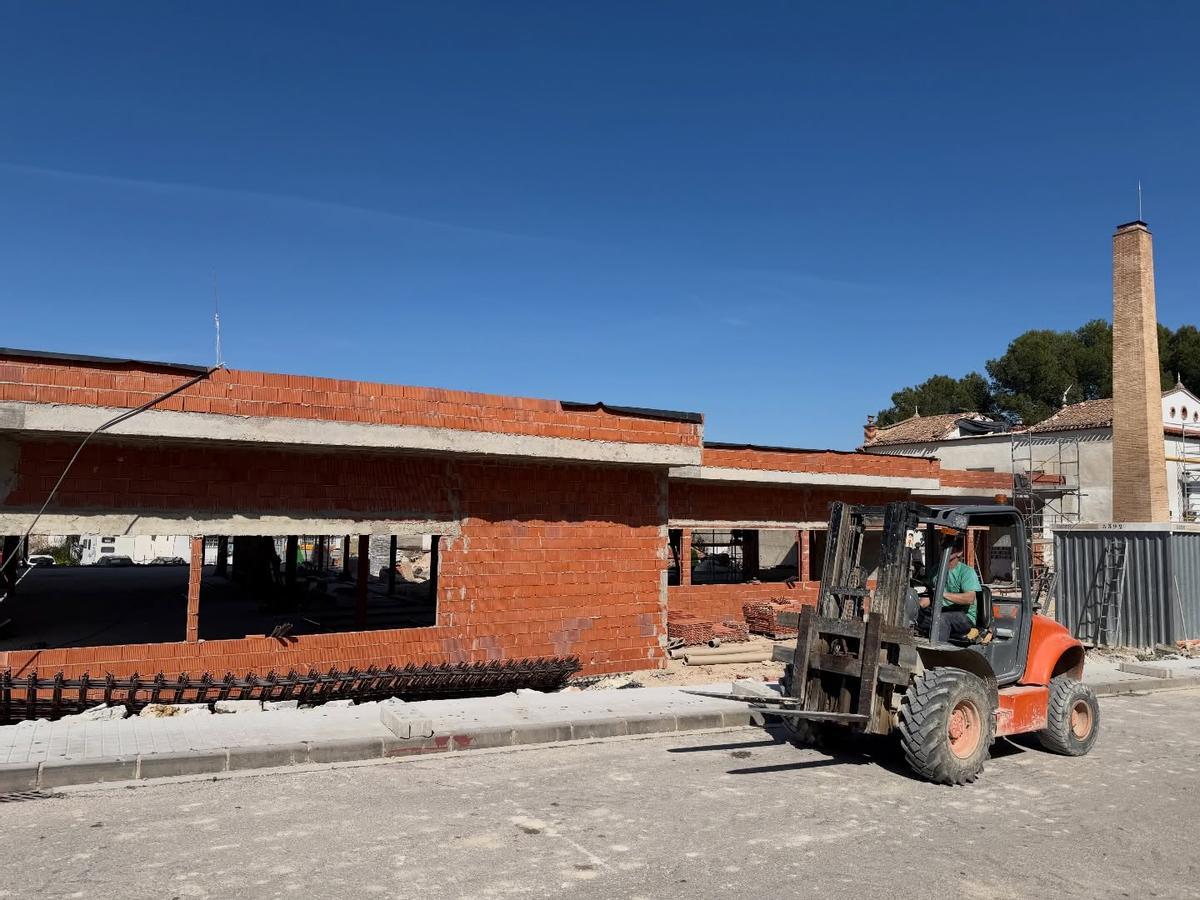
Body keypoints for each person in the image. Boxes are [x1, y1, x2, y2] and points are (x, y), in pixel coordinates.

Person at [915, 537, 980, 641]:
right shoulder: (935, 570)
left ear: (959, 552)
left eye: (948, 547)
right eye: (942, 547)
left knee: (941, 618)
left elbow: (970, 598)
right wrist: (915, 606)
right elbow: (929, 597)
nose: (943, 550)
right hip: (940, 612)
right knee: (914, 614)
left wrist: (942, 594)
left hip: (964, 617)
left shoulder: (967, 572)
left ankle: (937, 649)